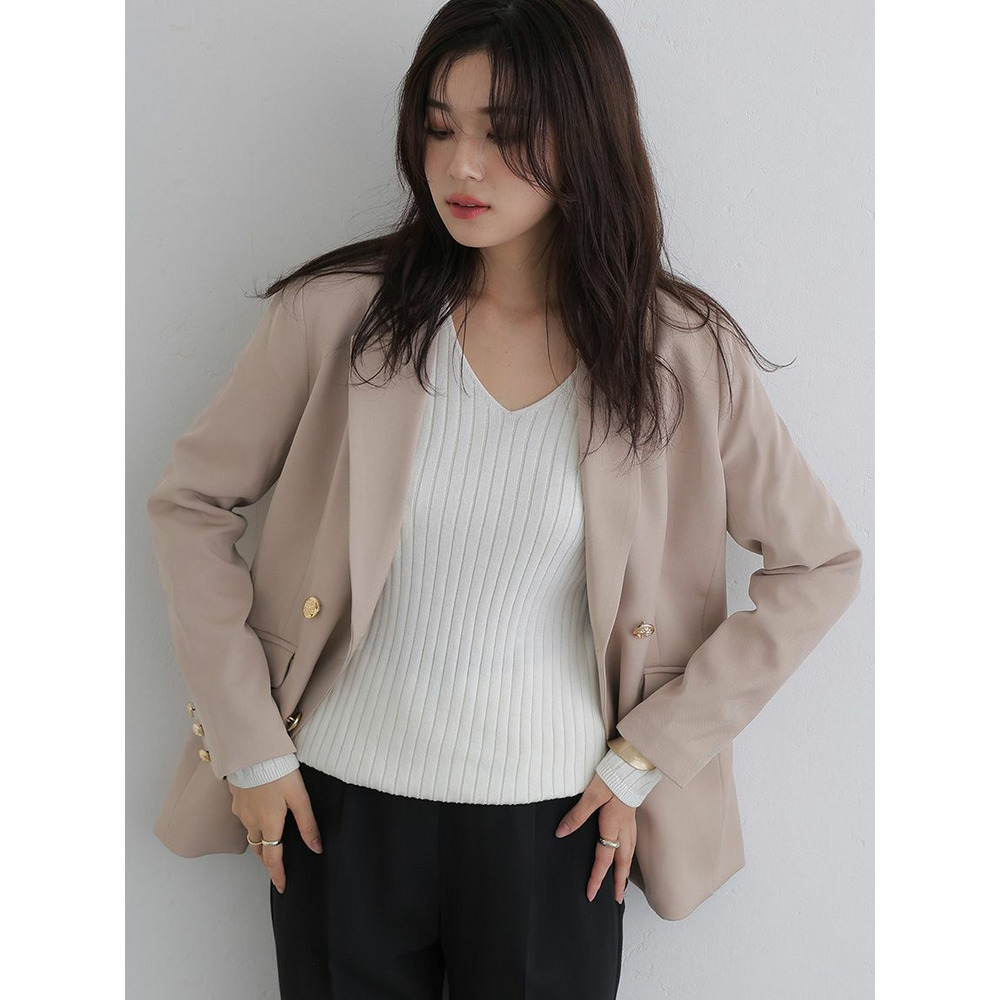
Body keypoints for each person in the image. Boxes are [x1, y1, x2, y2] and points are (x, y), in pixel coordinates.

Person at [145, 2, 863, 998]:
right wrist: (250, 748)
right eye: (439, 127)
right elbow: (191, 503)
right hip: (336, 818)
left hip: (559, 830)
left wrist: (649, 754)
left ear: (587, 135)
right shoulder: (335, 317)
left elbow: (819, 564)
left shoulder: (680, 355)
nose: (461, 166)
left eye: (506, 132)